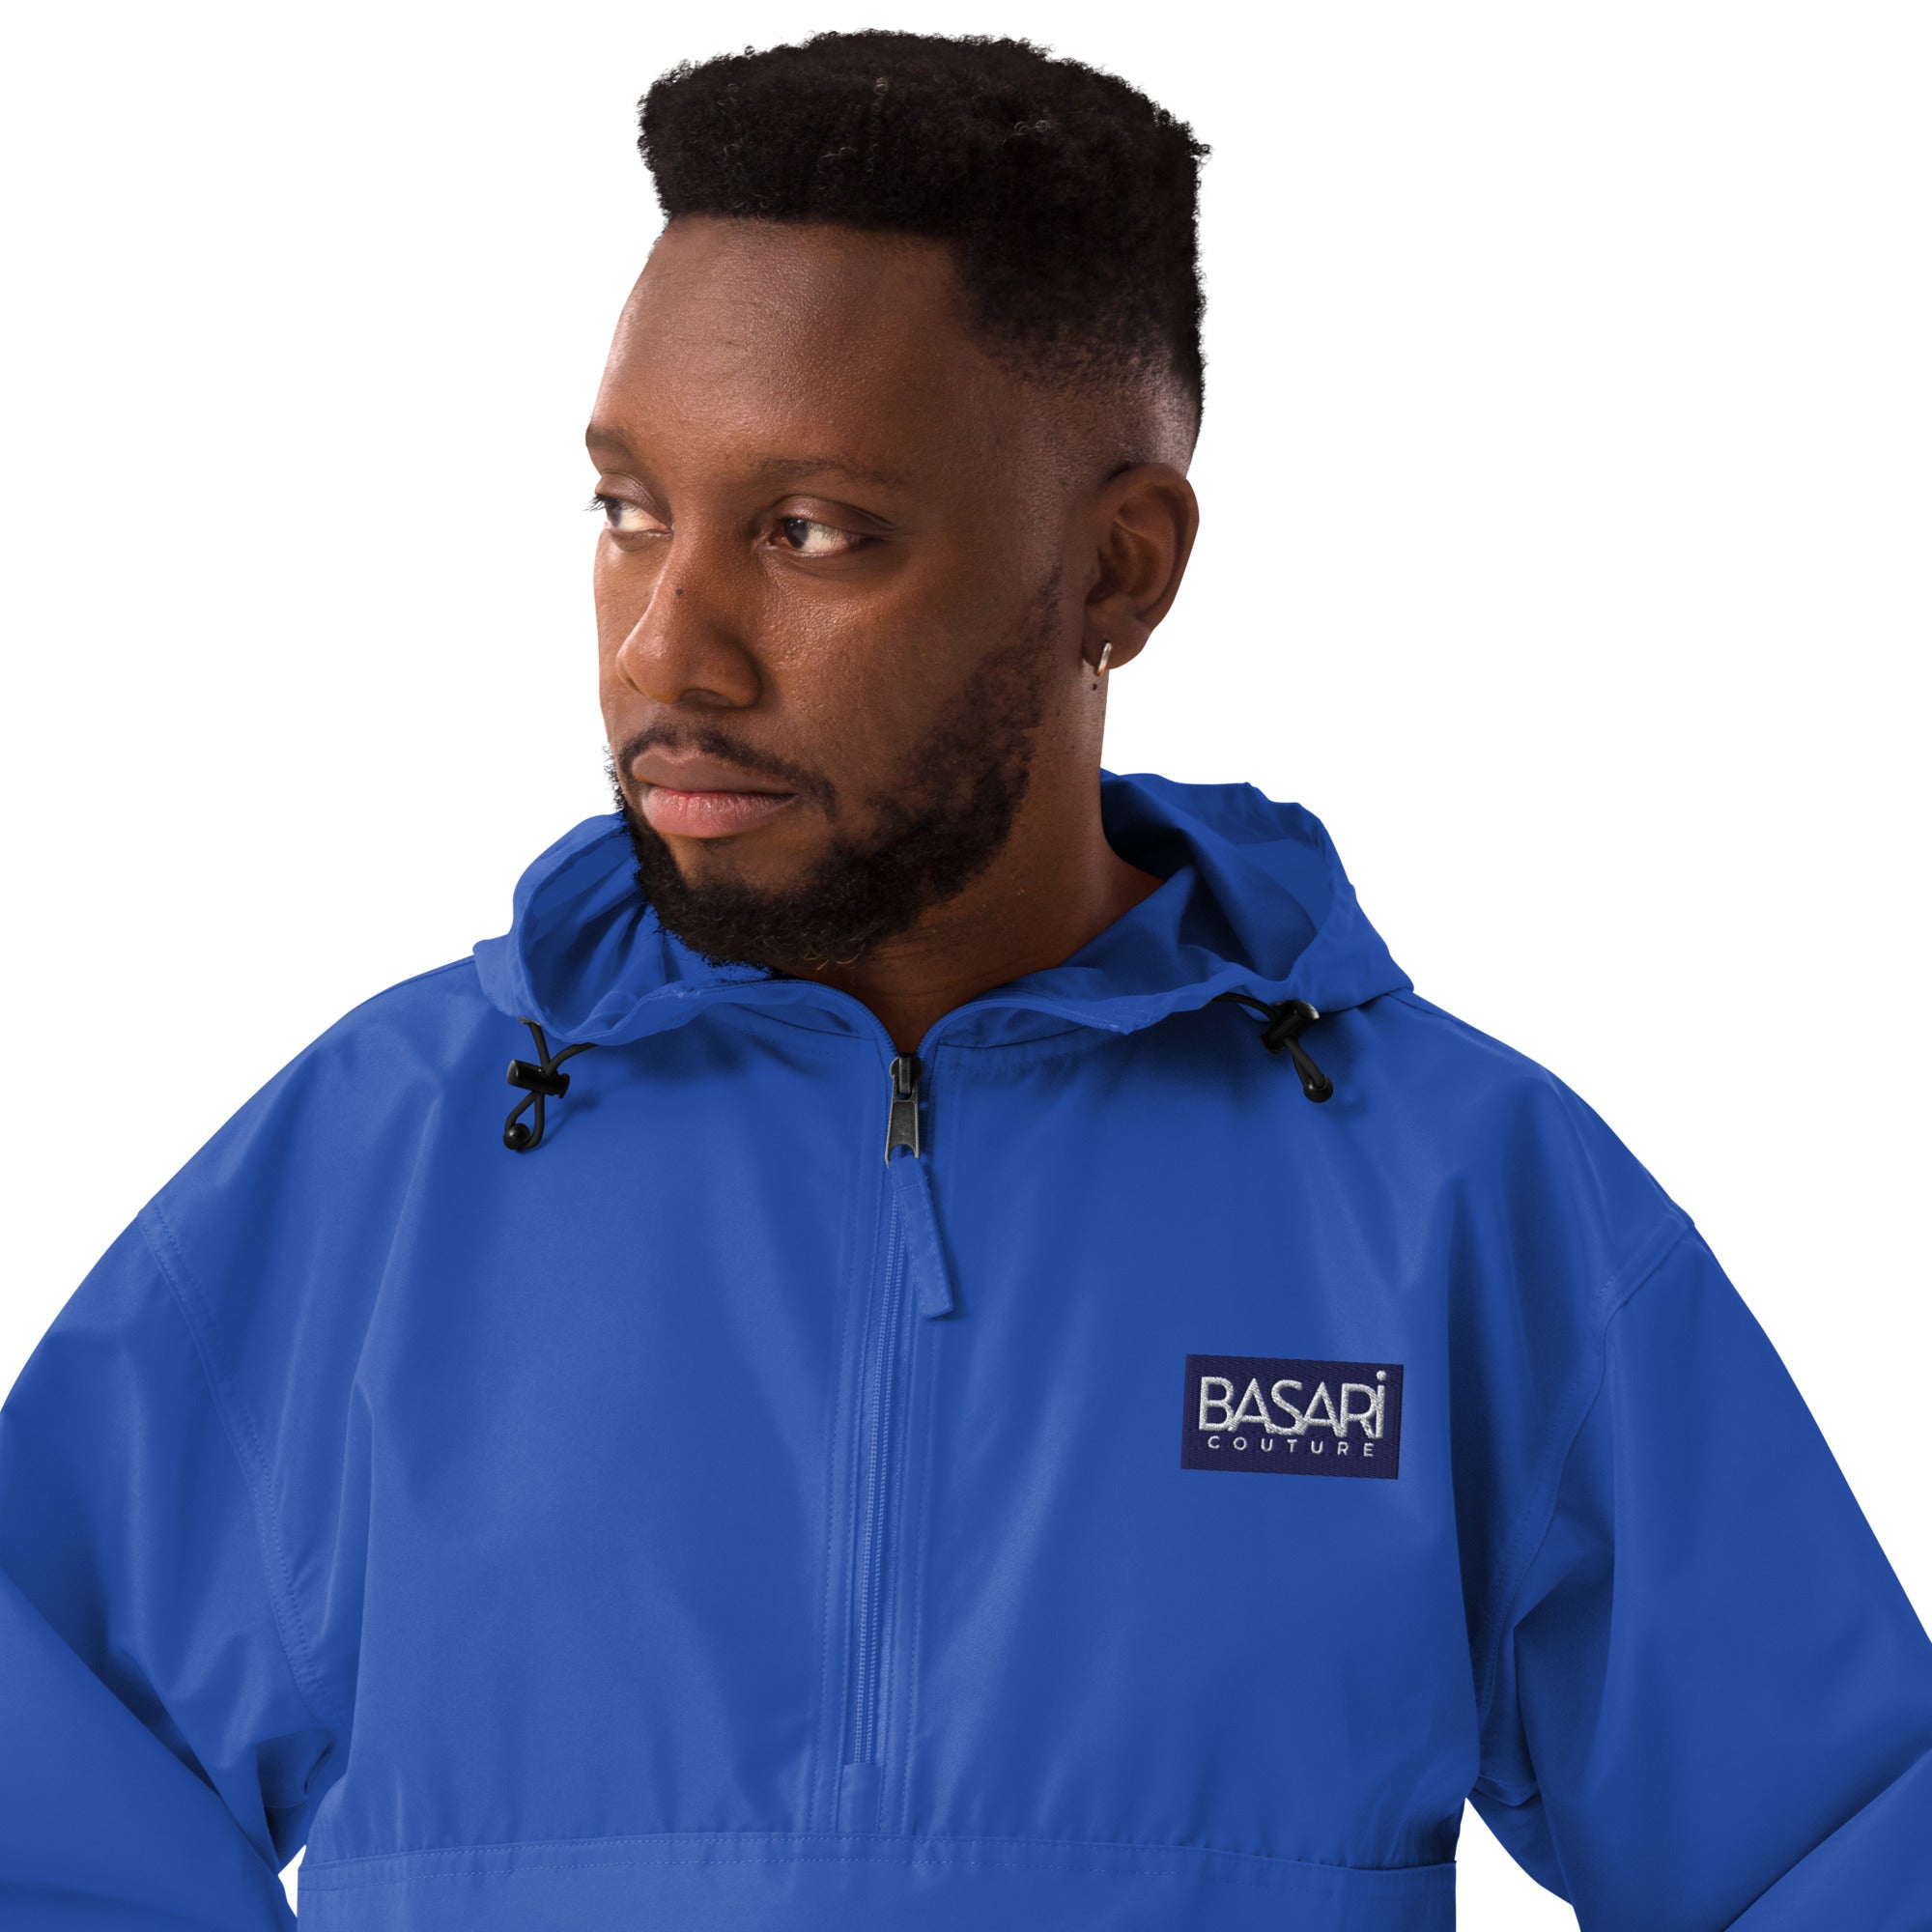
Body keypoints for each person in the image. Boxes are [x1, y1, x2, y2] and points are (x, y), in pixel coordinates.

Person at [2, 27, 1927, 1931]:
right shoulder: (384, 1167)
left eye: (811, 533)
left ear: (1119, 572)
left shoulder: (1449, 1198)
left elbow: (1842, 1842)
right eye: (629, 512)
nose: (667, 648)